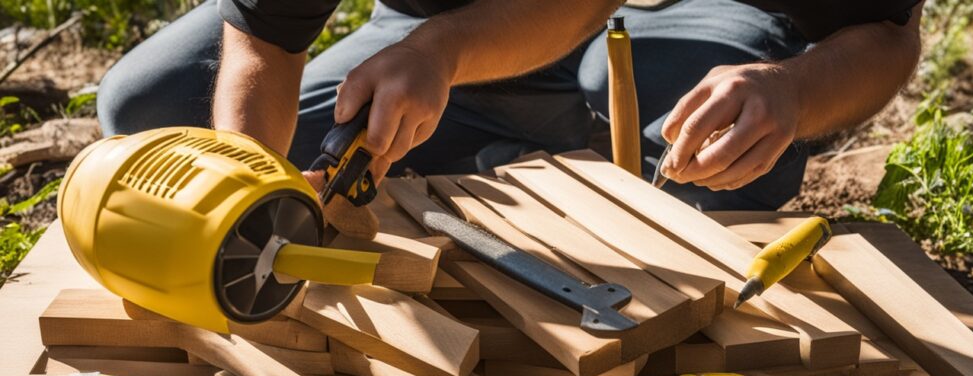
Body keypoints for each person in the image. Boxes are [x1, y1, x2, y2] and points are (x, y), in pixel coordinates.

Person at [97, 0, 923, 211]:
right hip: (438, 46)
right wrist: (254, 191)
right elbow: (265, 39)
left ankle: (625, 171)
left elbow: (888, 39)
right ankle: (514, 155)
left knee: (657, 99)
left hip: (674, 34)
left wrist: (792, 91)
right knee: (153, 110)